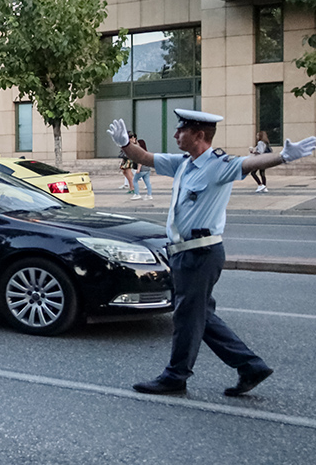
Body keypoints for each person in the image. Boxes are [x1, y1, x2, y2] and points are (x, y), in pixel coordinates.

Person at [109, 112, 316, 396]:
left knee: (186, 316)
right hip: (183, 253)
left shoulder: (220, 165)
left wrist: (282, 157)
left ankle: (175, 377)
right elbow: (144, 158)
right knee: (200, 315)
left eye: (180, 131)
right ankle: (250, 366)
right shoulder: (183, 164)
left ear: (199, 135)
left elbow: (250, 162)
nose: (175, 136)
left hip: (201, 253)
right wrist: (124, 145)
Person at [130, 135, 153, 200]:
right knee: (147, 182)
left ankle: (137, 194)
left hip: (142, 169)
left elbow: (140, 161)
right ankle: (149, 195)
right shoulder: (146, 152)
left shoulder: (140, 152)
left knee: (135, 180)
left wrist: (138, 169)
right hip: (147, 169)